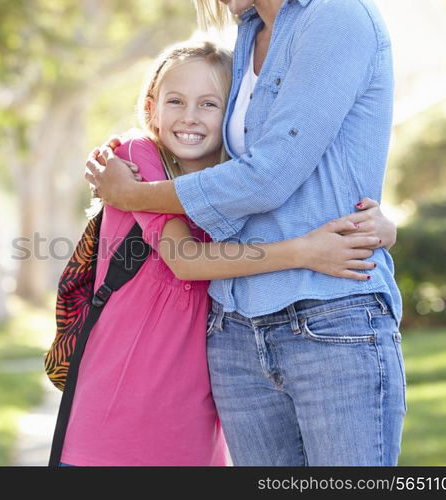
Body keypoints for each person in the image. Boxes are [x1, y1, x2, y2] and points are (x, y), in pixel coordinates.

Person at [86, 0, 405, 466]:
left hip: (328, 315)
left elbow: (269, 176)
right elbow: (237, 170)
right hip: (234, 328)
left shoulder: (338, 15)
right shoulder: (249, 34)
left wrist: (136, 195)